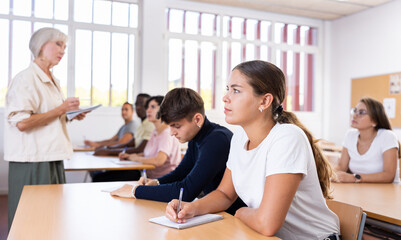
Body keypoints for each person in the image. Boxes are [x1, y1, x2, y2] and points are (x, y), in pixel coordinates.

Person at [164, 61, 340, 239]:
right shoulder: (240, 137)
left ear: (264, 101)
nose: (225, 97)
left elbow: (266, 224)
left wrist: (240, 212)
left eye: (236, 90)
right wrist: (191, 207)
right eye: (227, 89)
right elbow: (225, 194)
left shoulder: (287, 138)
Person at [111, 88, 246, 215]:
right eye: (170, 126)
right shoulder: (197, 136)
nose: (171, 133)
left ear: (197, 119)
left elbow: (186, 191)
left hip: (234, 217)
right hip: (220, 213)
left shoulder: (217, 140)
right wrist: (156, 182)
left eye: (176, 126)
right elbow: (181, 172)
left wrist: (135, 191)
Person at [4, 27, 86, 230]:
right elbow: (22, 123)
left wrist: (69, 115)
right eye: (58, 44)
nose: (63, 50)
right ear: (41, 45)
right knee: (31, 219)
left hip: (52, 156)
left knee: (52, 215)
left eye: (65, 46)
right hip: (33, 159)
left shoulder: (52, 80)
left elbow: (48, 116)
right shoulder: (25, 79)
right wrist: (61, 108)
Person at [335, 97, 400, 183]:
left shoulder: (387, 136)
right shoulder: (350, 135)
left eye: (361, 112)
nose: (354, 115)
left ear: (374, 121)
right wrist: (331, 174)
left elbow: (388, 175)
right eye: (355, 111)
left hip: (388, 192)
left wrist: (354, 178)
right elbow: (341, 166)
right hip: (360, 190)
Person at [118, 95, 181, 179]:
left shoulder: (166, 133)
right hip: (150, 178)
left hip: (164, 181)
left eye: (153, 107)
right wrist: (130, 156)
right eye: (147, 107)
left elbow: (159, 160)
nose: (148, 110)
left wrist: (136, 158)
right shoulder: (155, 131)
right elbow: (147, 153)